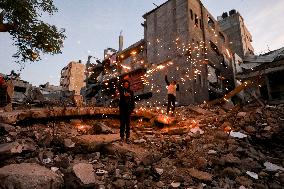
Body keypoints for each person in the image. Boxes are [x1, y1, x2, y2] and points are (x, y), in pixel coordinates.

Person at [117, 78, 135, 144]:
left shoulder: (131, 92)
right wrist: (123, 79)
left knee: (128, 125)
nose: (126, 85)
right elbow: (118, 85)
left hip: (128, 110)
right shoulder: (121, 90)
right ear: (123, 85)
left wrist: (132, 109)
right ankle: (122, 137)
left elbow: (133, 101)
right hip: (122, 110)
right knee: (122, 124)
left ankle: (127, 138)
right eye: (125, 84)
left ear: (129, 85)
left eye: (127, 84)